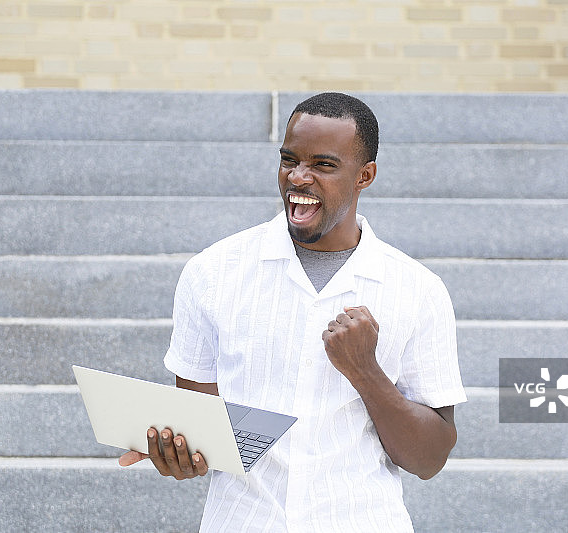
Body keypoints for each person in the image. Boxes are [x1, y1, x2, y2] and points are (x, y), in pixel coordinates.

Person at [120, 92, 467, 531]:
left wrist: (364, 371)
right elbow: (202, 433)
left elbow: (429, 458)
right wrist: (179, 454)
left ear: (365, 175)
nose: (298, 177)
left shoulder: (418, 290)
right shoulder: (212, 273)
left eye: (323, 164)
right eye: (289, 160)